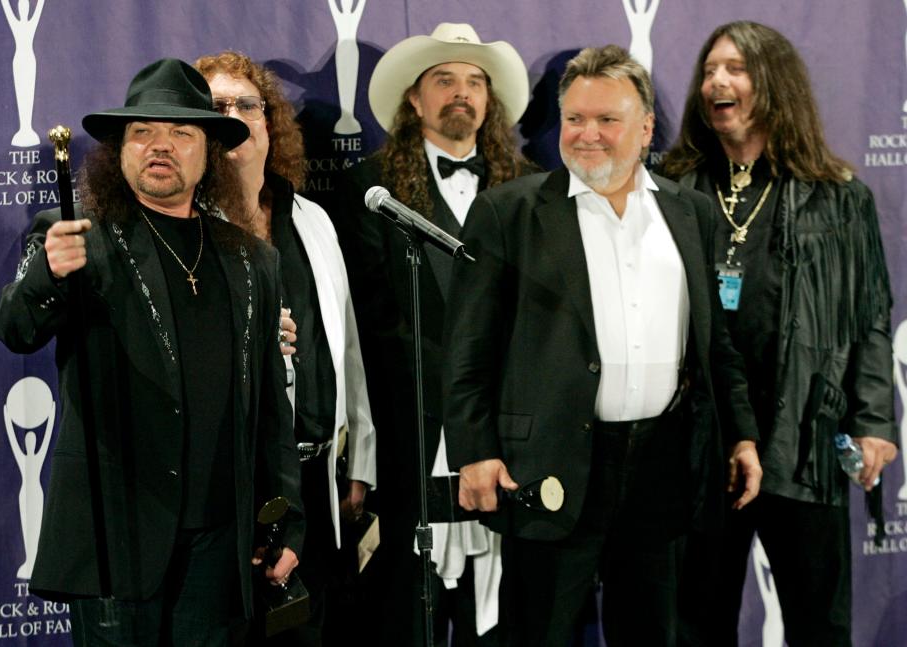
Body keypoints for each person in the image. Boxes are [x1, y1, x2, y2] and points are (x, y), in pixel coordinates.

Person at [442, 45, 761, 647]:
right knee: (537, 632)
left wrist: (740, 433)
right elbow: (467, 350)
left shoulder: (690, 213)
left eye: (606, 120)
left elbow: (717, 344)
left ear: (644, 129)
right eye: (574, 119)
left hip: (663, 469)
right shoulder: (507, 213)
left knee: (654, 632)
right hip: (550, 467)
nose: (587, 134)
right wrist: (474, 451)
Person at [0, 58, 304, 646]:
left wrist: (287, 520)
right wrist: (47, 278)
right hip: (118, 543)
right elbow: (14, 329)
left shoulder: (252, 260)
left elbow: (269, 409)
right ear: (121, 150)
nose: (160, 146)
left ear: (209, 150)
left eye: (181, 133)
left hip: (220, 551)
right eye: (143, 133)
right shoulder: (78, 236)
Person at [660, 21, 899, 647]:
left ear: (774, 84)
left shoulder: (838, 197)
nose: (718, 80)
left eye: (736, 68)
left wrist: (874, 421)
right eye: (710, 70)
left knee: (819, 621)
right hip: (705, 444)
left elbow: (870, 315)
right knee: (696, 621)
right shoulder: (676, 188)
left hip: (804, 438)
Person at [334, 22, 531, 647]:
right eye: (444, 79)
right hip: (406, 441)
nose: (462, 93)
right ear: (414, 99)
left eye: (475, 82)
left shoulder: (529, 190)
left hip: (505, 437)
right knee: (403, 613)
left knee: (496, 616)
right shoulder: (369, 190)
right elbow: (361, 324)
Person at [194, 50, 377, 646]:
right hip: (231, 491)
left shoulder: (313, 220)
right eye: (215, 107)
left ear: (270, 122)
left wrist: (361, 463)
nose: (234, 116)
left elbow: (346, 347)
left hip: (318, 481)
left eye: (248, 105)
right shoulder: (183, 230)